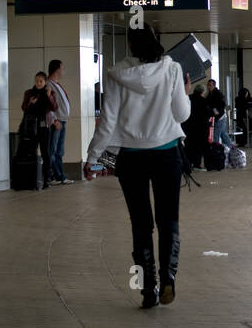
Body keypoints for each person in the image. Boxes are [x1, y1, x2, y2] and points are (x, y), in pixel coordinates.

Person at [82, 26, 190, 309]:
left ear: (131, 47)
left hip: (131, 158)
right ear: (157, 41)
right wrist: (185, 92)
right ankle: (168, 277)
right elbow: (182, 113)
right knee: (169, 221)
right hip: (167, 154)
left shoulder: (117, 74)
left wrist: (93, 158)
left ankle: (147, 290)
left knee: (141, 225)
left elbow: (108, 122)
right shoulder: (172, 70)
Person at [19, 72, 56, 187]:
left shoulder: (50, 93)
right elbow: (23, 108)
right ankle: (32, 179)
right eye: (37, 81)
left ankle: (47, 179)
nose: (38, 83)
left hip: (44, 126)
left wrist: (49, 96)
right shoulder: (29, 93)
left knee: (46, 153)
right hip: (31, 127)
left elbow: (54, 107)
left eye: (41, 81)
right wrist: (30, 102)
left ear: (45, 82)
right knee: (31, 151)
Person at [46, 59, 72, 184]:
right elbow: (48, 106)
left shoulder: (56, 84)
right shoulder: (48, 85)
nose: (63, 71)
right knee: (53, 149)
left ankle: (59, 175)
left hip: (62, 120)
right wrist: (55, 120)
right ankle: (51, 176)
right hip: (56, 122)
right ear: (56, 70)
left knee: (59, 150)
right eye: (62, 68)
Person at [182, 83, 211, 169]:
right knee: (200, 146)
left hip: (188, 126)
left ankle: (188, 163)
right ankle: (197, 164)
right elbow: (208, 113)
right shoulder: (203, 101)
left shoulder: (189, 98)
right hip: (201, 128)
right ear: (202, 92)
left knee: (189, 145)